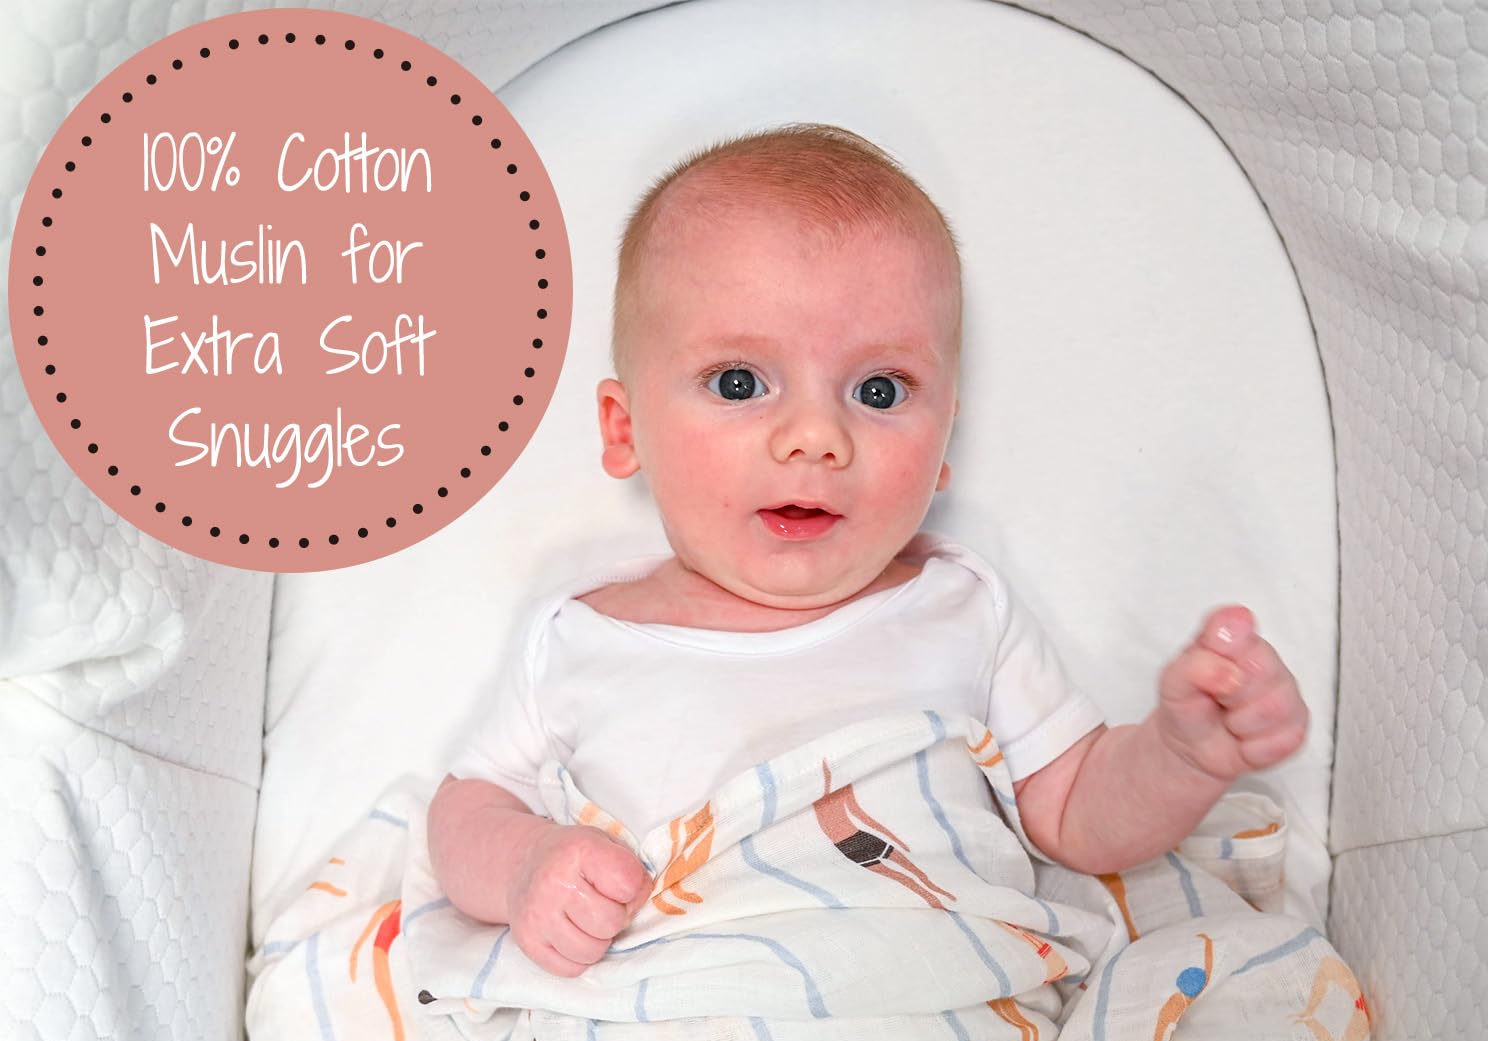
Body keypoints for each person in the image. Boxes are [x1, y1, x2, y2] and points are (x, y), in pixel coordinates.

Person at [426, 122, 1309, 976]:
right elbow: (465, 810)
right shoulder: (580, 639)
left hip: (933, 1021)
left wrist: (1180, 755)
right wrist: (525, 865)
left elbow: (1078, 811)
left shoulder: (959, 610)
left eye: (879, 391)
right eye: (739, 382)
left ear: (943, 441)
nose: (816, 437)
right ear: (626, 430)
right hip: (675, 1022)